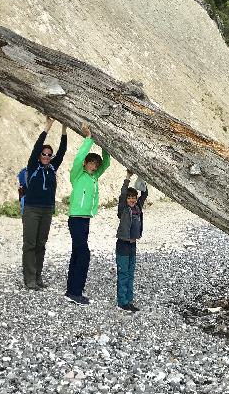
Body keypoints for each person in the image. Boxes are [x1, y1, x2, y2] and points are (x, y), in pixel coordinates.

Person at [65, 123, 110, 305]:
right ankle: (75, 292)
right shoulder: (77, 175)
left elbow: (106, 163)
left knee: (77, 253)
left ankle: (72, 289)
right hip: (75, 219)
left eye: (96, 164)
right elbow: (78, 158)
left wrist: (106, 147)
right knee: (84, 254)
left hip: (85, 220)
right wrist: (89, 139)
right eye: (91, 162)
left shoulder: (94, 177)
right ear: (86, 163)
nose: (94, 166)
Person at [21, 116, 67, 290]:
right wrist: (48, 127)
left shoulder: (53, 167)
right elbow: (35, 148)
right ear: (39, 155)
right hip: (32, 210)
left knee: (41, 244)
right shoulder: (33, 165)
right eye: (44, 154)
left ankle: (38, 276)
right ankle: (29, 278)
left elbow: (62, 151)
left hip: (47, 210)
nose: (47, 156)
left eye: (49, 155)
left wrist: (64, 129)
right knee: (30, 244)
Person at [115, 170, 150, 312]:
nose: (132, 200)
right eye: (129, 198)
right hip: (122, 244)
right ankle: (122, 302)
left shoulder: (138, 207)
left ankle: (129, 301)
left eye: (133, 198)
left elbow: (145, 194)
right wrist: (128, 178)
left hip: (132, 244)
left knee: (130, 273)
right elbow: (123, 193)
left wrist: (144, 178)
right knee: (123, 274)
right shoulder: (123, 209)